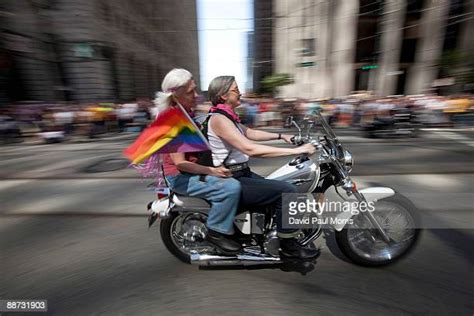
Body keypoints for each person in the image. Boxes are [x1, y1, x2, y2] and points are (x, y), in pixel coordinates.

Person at [206, 76, 319, 259]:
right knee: (289, 192)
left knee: (275, 186)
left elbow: (251, 133)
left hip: (243, 173)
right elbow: (249, 148)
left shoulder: (228, 117)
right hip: (232, 178)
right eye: (236, 89)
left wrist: (283, 136)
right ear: (223, 95)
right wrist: (296, 151)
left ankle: (265, 233)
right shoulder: (219, 119)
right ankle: (288, 246)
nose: (240, 92)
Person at [156, 69, 242, 255]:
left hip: (193, 171)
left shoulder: (186, 113)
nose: (196, 95)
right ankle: (216, 232)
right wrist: (212, 171)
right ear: (174, 96)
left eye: (195, 90)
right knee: (231, 188)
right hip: (181, 177)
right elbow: (181, 164)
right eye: (190, 92)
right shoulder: (174, 121)